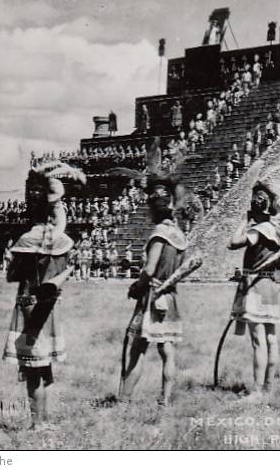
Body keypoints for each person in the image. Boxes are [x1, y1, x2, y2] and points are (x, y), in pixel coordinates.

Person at [2, 161, 84, 430]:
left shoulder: (28, 239)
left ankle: (38, 424)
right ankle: (46, 421)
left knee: (32, 370)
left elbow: (13, 276)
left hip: (28, 305)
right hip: (51, 308)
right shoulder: (60, 239)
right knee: (45, 366)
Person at [119, 174, 188, 406]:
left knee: (137, 349)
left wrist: (136, 287)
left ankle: (124, 400)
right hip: (171, 298)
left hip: (152, 296)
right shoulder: (179, 236)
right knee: (167, 350)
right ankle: (165, 401)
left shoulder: (159, 233)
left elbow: (149, 270)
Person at [227, 174, 280, 397]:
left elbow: (233, 242)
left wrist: (244, 222)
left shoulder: (260, 230)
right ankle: (268, 387)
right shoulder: (276, 231)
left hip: (255, 286)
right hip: (270, 286)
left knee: (258, 341)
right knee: (271, 339)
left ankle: (257, 390)